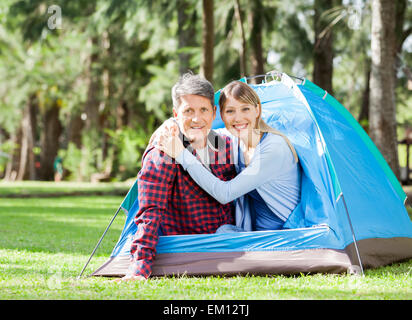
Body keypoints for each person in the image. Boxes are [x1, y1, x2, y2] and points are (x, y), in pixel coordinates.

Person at [119, 73, 237, 281]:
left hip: (229, 242)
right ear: (176, 113)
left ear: (214, 113)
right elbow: (150, 211)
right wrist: (139, 267)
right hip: (187, 248)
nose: (196, 119)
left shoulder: (225, 146)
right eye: (188, 111)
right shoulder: (163, 151)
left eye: (203, 110)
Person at [157, 80, 301, 233]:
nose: (238, 118)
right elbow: (198, 129)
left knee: (222, 233)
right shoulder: (235, 140)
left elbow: (225, 194)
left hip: (286, 234)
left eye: (245, 109)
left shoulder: (274, 148)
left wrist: (181, 155)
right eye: (230, 111)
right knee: (222, 232)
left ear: (257, 110)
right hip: (256, 233)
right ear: (221, 115)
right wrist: (171, 123)